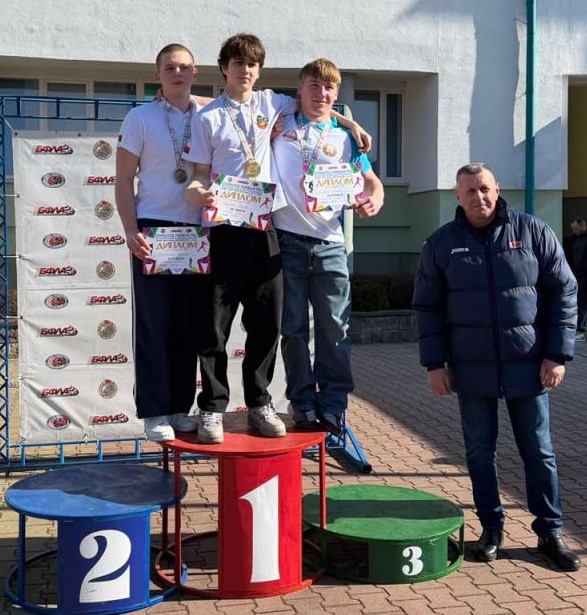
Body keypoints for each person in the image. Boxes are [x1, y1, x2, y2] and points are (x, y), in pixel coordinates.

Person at [184, 33, 369, 444]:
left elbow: (318, 109)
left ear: (259, 70)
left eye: (252, 64)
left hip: (266, 231)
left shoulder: (273, 103)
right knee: (214, 325)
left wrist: (349, 122)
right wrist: (200, 194)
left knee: (266, 325)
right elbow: (197, 177)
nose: (245, 70)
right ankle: (212, 407)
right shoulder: (207, 118)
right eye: (237, 63)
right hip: (223, 230)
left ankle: (259, 403)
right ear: (224, 68)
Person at [413, 163, 581, 572]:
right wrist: (435, 364)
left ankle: (550, 531)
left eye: (485, 188)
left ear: (498, 189)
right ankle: (491, 529)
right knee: (478, 452)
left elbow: (564, 291)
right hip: (472, 370)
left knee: (538, 451)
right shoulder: (441, 244)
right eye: (470, 191)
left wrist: (556, 354)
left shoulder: (533, 232)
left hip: (529, 366)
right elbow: (428, 308)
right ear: (457, 196)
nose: (479, 197)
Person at [271, 59, 384, 436]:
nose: (321, 93)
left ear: (336, 93)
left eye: (329, 88)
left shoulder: (347, 138)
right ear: (299, 89)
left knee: (335, 329)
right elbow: (232, 103)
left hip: (331, 244)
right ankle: (302, 402)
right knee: (293, 329)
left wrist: (374, 199)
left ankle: (334, 405)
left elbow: (371, 182)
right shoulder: (280, 124)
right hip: (286, 242)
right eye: (314, 85)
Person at [115, 43, 213, 442]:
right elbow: (123, 180)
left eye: (184, 67)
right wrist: (130, 230)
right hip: (153, 230)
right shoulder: (140, 117)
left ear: (195, 73)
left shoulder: (208, 115)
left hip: (197, 233)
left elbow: (263, 109)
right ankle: (155, 411)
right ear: (157, 74)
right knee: (154, 324)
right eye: (169, 68)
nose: (177, 73)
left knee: (188, 325)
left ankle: (178, 407)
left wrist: (347, 122)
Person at [570, 217, 587, 339]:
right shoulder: (574, 239)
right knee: (579, 301)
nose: (574, 231)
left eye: (576, 228)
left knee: (582, 302)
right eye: (573, 229)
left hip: (584, 275)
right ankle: (580, 327)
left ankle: (580, 329)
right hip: (577, 274)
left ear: (583, 226)